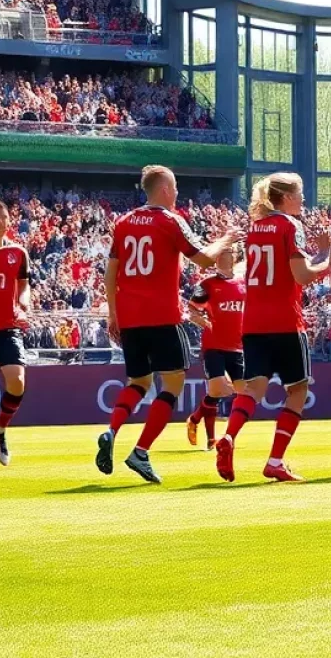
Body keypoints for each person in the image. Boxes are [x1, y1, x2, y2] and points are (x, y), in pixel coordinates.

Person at [96, 166, 237, 484]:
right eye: (174, 188)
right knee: (172, 385)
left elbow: (111, 272)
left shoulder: (123, 223)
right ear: (163, 190)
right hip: (162, 316)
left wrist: (113, 314)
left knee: (138, 382)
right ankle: (140, 452)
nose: (176, 194)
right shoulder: (170, 221)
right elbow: (203, 259)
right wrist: (226, 239)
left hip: (130, 319)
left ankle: (111, 430)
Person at [215, 173, 331, 484]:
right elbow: (303, 276)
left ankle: (229, 436)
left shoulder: (256, 228)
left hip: (253, 321)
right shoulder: (290, 226)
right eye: (300, 192)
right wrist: (328, 259)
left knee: (253, 388)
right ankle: (275, 460)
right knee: (298, 390)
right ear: (286, 197)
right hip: (285, 320)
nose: (303, 199)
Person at [185, 244, 246, 451]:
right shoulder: (207, 284)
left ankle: (195, 419)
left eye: (226, 252)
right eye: (219, 253)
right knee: (219, 388)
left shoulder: (243, 284)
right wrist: (201, 321)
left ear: (235, 256)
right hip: (214, 345)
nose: (222, 256)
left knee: (243, 392)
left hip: (237, 347)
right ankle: (213, 439)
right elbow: (192, 310)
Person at [0, 199, 31, 466]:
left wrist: (24, 305)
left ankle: (0, 429)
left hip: (7, 328)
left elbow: (24, 285)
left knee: (17, 382)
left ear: (9, 220)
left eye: (3, 217)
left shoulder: (18, 252)